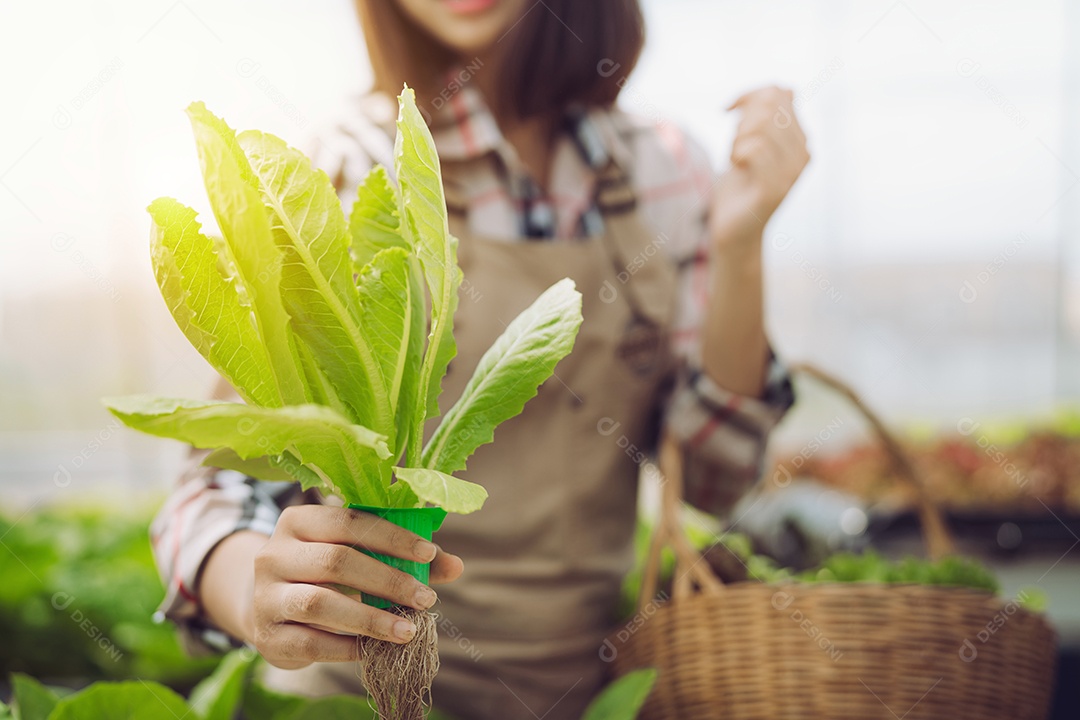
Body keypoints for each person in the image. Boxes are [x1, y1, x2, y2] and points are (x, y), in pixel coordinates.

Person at [150, 1, 809, 717]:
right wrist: (254, 589)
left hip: (577, 697)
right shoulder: (346, 162)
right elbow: (209, 491)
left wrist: (741, 248)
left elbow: (715, 481)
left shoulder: (664, 170)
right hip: (349, 697)